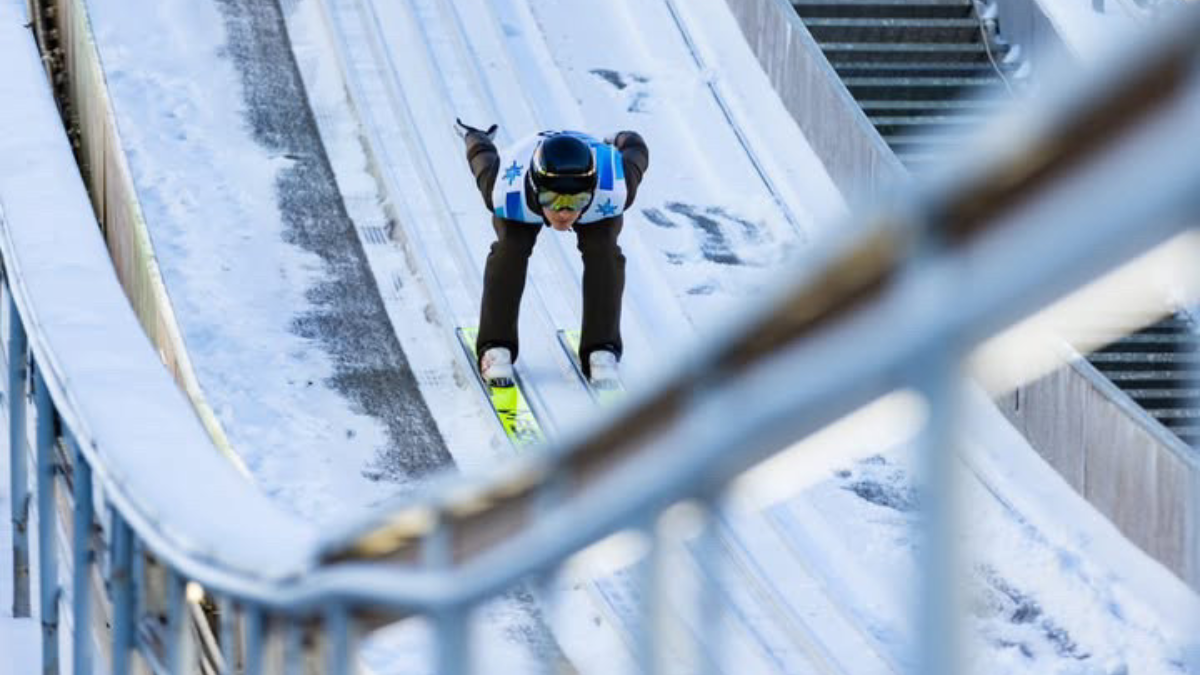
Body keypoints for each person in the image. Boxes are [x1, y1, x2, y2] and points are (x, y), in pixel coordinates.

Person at [455, 120, 650, 390]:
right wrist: (475, 136)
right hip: (523, 186)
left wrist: (620, 138)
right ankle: (495, 345)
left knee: (604, 251)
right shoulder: (502, 189)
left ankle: (602, 347)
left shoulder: (615, 187)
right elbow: (481, 155)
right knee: (510, 249)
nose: (564, 213)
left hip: (597, 206)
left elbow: (636, 148)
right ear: (536, 189)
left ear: (591, 192)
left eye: (575, 201)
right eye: (552, 200)